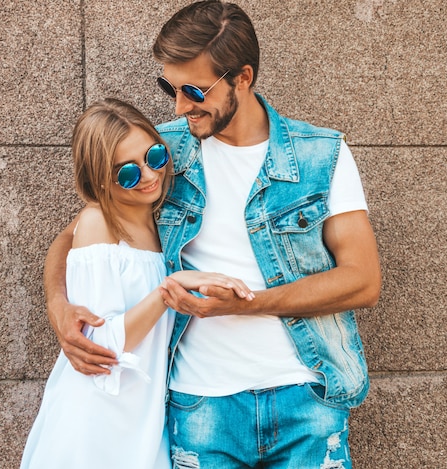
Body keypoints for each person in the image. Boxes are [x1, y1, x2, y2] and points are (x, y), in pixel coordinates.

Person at [44, 1, 381, 468]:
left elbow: (363, 280)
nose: (180, 106)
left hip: (307, 396)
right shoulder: (159, 154)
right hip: (200, 404)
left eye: (194, 91)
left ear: (241, 77)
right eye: (170, 88)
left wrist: (248, 304)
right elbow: (74, 232)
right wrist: (59, 306)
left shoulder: (320, 155)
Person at [23, 98, 252, 469]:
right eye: (127, 173)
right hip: (97, 424)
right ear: (99, 179)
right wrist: (170, 289)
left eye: (155, 157)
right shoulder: (100, 223)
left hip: (142, 418)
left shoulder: (155, 219)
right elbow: (99, 347)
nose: (148, 175)